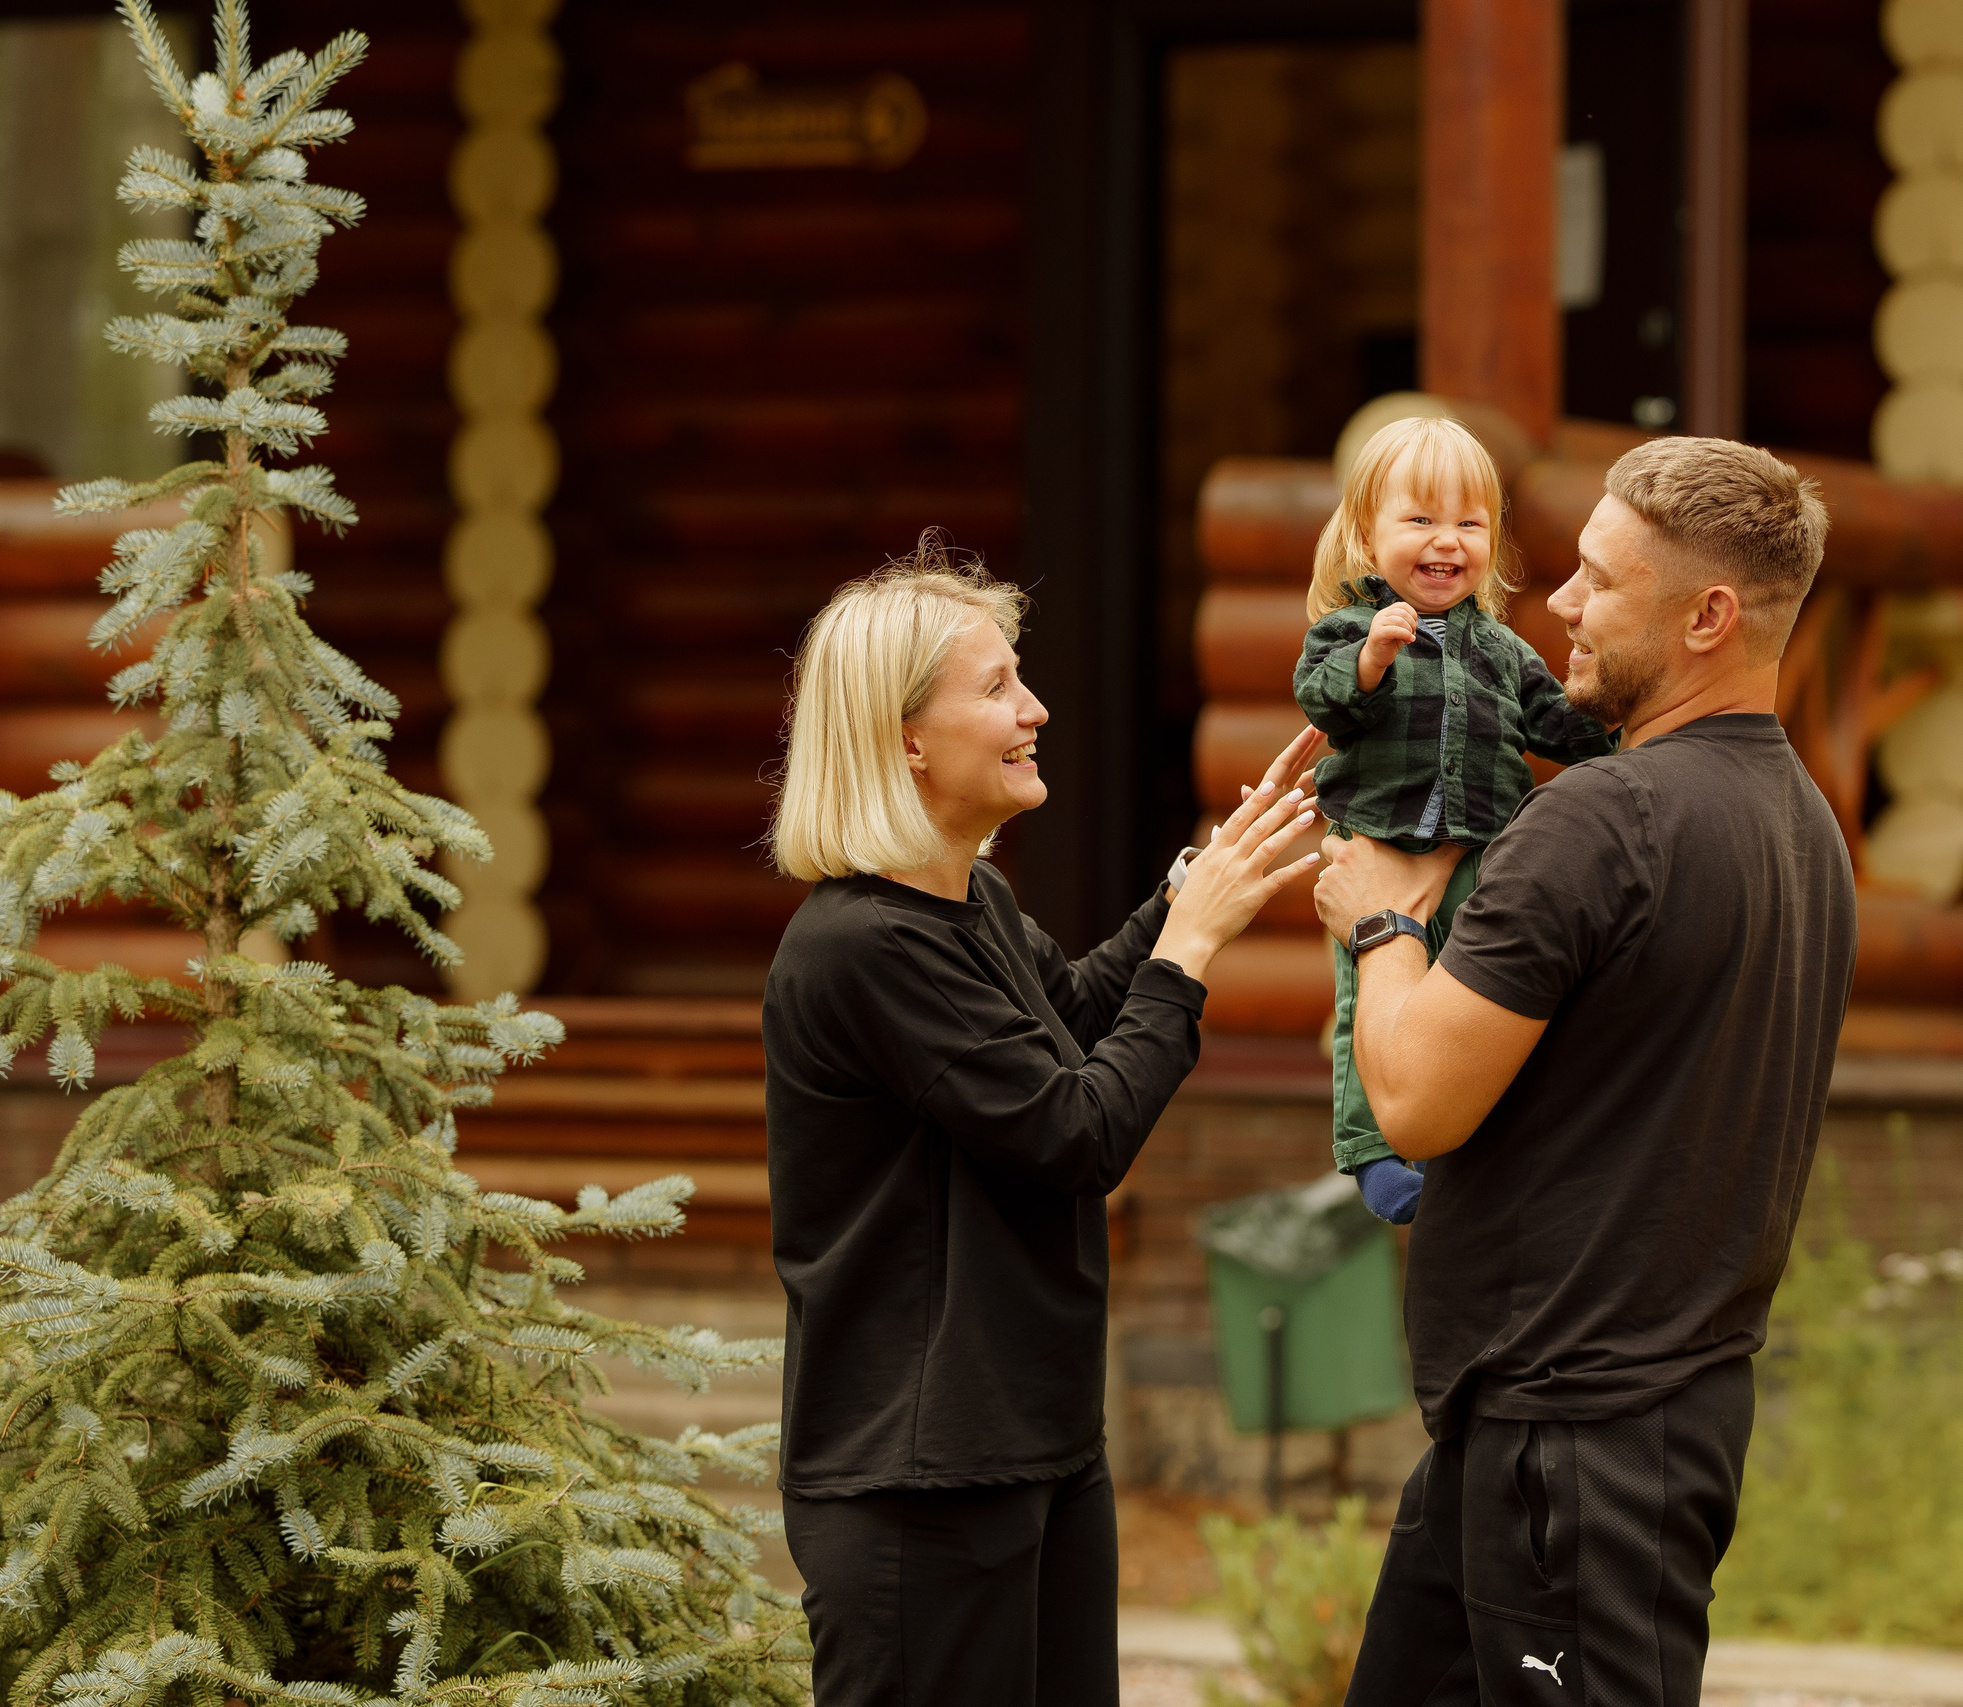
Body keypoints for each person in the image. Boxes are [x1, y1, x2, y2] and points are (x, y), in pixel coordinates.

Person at [1311, 439, 1858, 1705]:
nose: (1554, 602)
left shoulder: (1597, 821)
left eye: (1599, 580)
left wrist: (1383, 925)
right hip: (1555, 1427)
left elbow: (1415, 1101)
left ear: (1708, 616)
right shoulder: (1805, 827)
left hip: (1581, 1445)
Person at [760, 535, 1323, 1706]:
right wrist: (1193, 947)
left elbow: (1065, 1015)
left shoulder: (968, 905)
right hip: (921, 1481)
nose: (1036, 707)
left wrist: (1188, 885)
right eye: (997, 687)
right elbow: (1077, 1131)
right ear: (904, 739)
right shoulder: (864, 947)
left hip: (1036, 1445)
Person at [1294, 416, 1615, 1226]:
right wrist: (1371, 659)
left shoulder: (1502, 650)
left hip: (1479, 855)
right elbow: (1322, 696)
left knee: (1476, 992)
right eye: (1422, 520)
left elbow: (1555, 722)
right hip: (1379, 850)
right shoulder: (1348, 629)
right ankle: (1370, 1152)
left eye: (1470, 523)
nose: (1448, 540)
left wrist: (1623, 728)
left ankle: (1482, 1133)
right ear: (1368, 535)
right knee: (1365, 997)